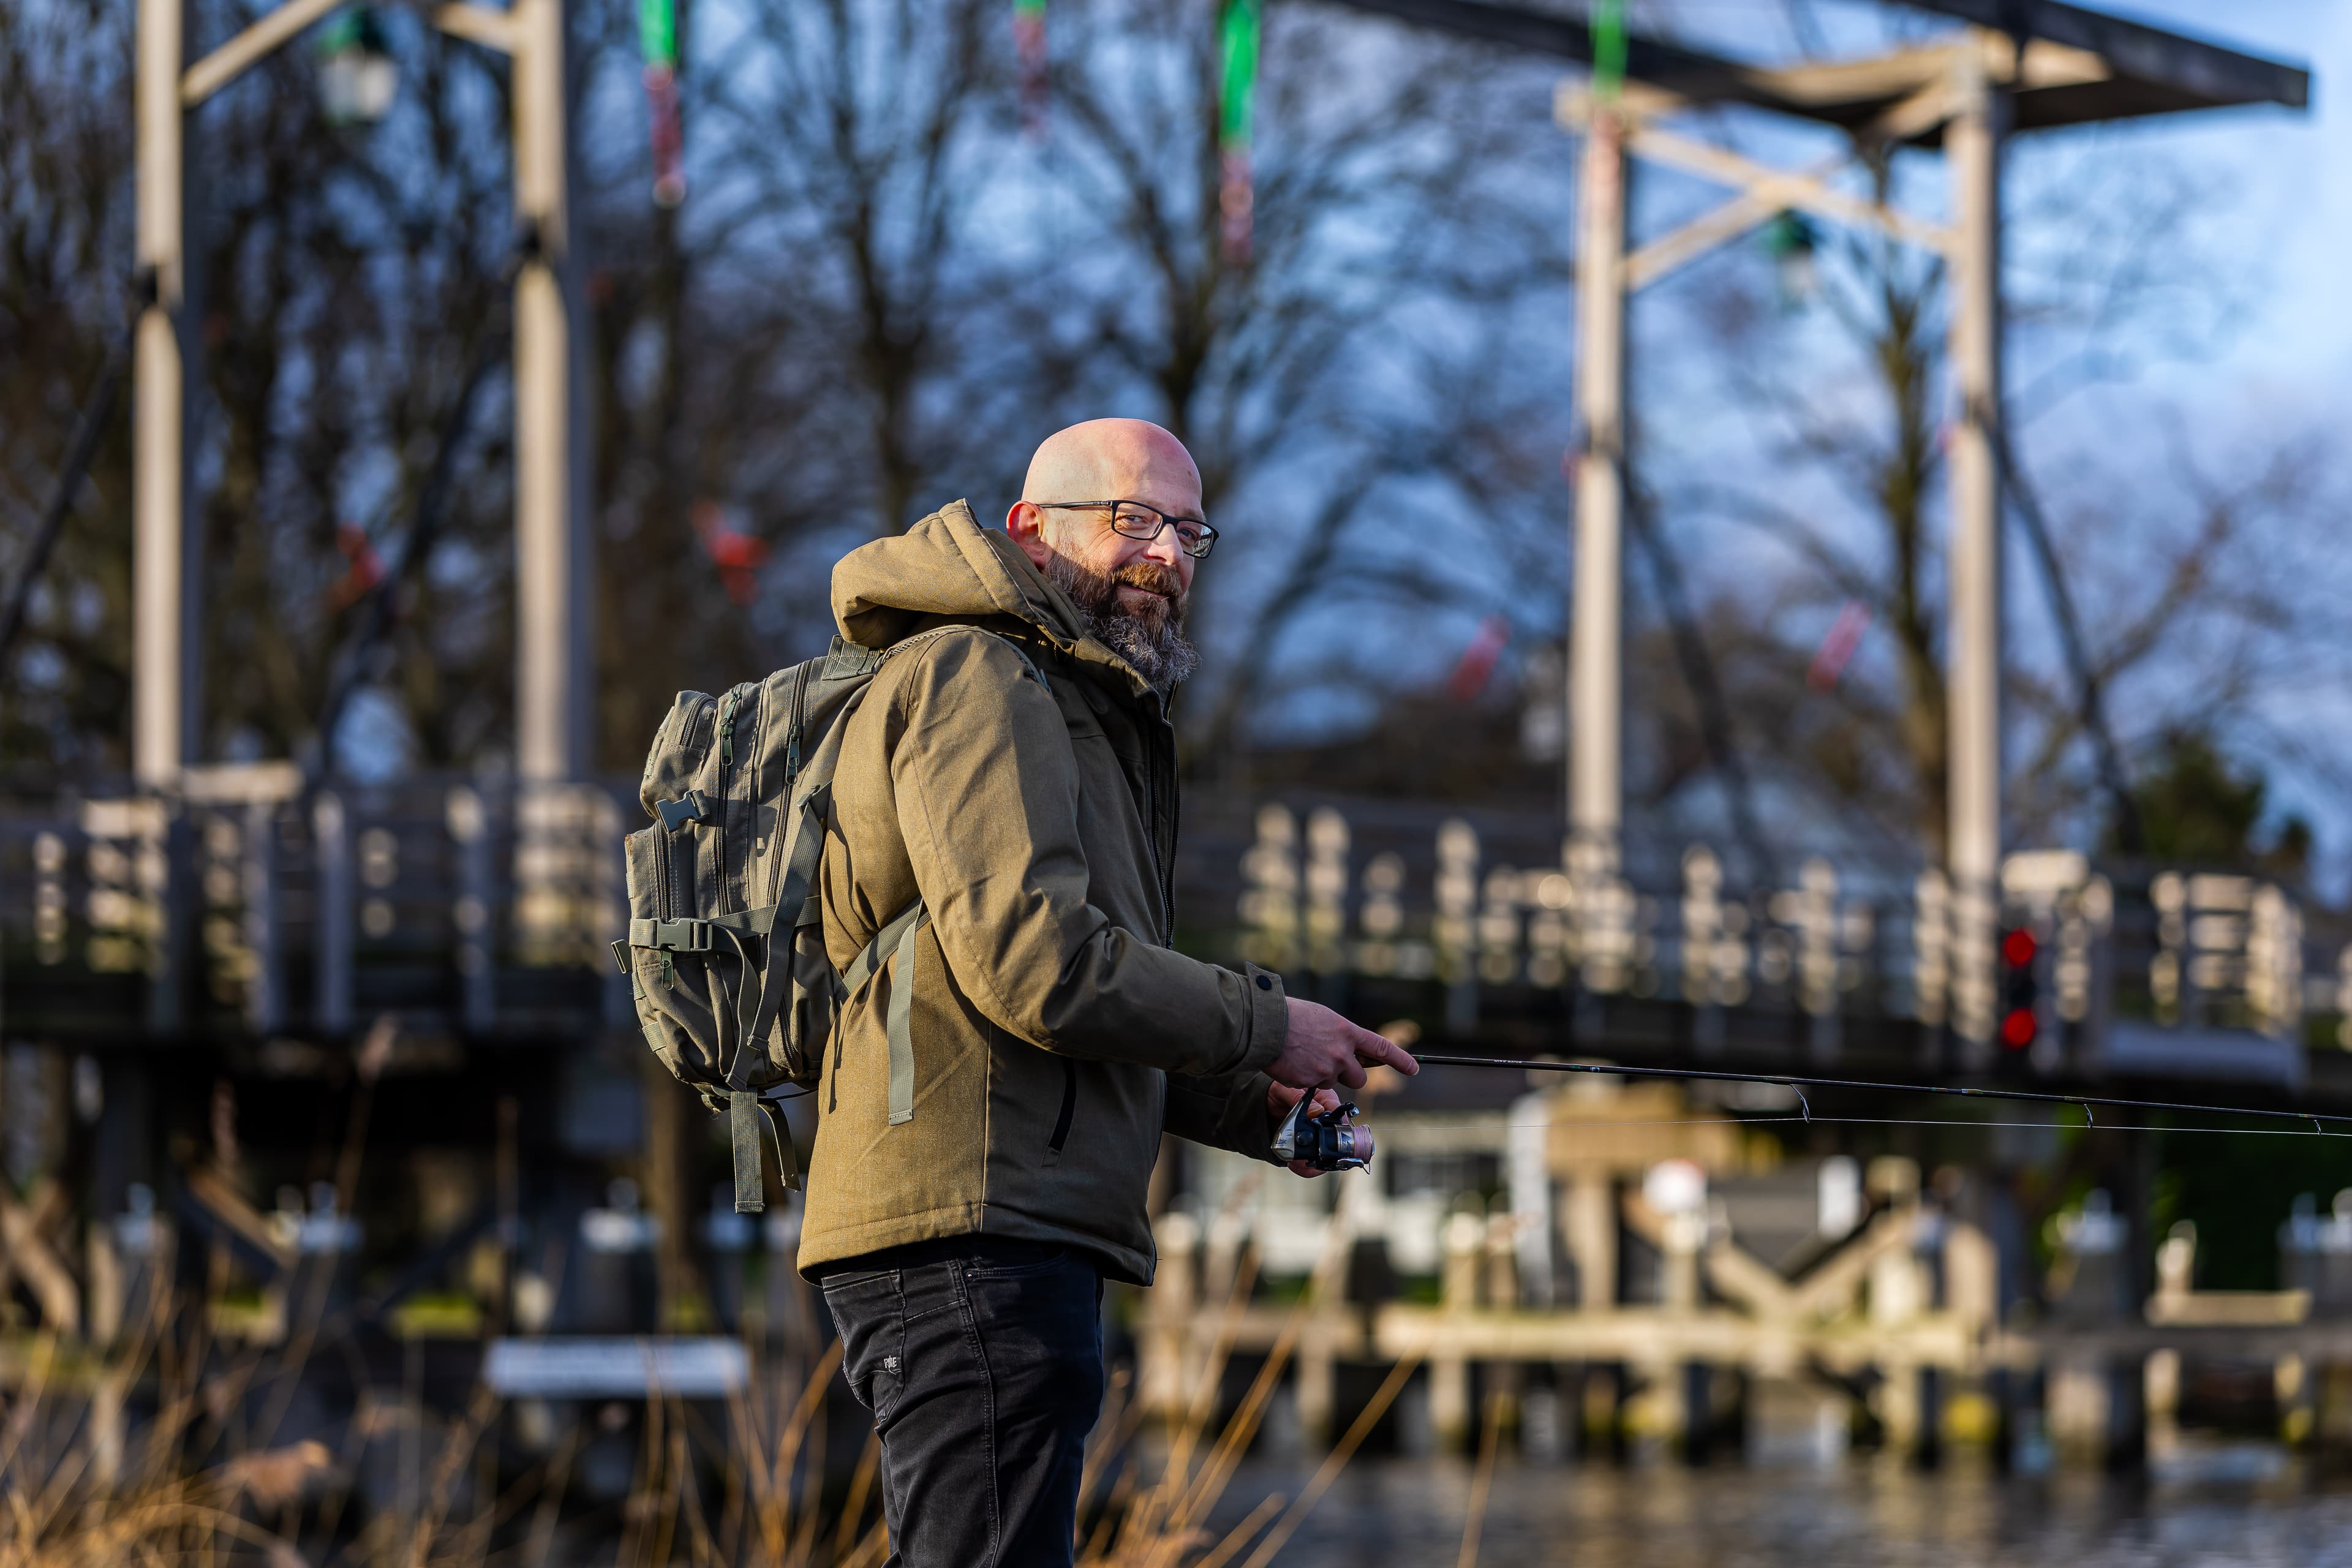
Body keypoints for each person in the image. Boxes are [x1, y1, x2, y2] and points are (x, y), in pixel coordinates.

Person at [803, 418, 1417, 1566]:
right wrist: (1269, 1022)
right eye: (1133, 519)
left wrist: (1254, 1101)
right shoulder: (976, 675)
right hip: (971, 1228)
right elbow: (1036, 964)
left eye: (1189, 531)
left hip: (1009, 1221)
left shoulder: (1081, 709)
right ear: (1031, 528)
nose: (1167, 554)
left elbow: (1065, 1005)